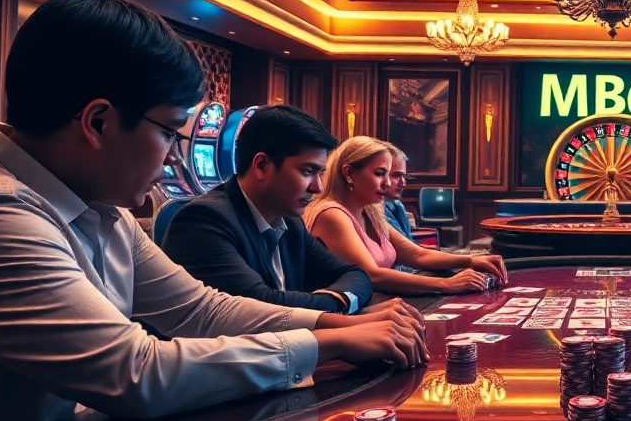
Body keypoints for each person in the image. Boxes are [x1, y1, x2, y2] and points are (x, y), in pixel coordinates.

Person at [0, 0, 428, 421]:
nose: (171, 160)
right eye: (170, 134)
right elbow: (135, 372)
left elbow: (200, 309)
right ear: (98, 122)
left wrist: (344, 325)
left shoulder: (100, 206)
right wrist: (327, 343)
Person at [163, 105, 408, 317]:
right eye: (307, 172)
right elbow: (261, 307)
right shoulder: (204, 221)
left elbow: (355, 274)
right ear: (261, 165)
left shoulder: (290, 222)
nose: (317, 187)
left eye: (320, 173)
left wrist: (336, 302)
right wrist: (339, 305)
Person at [305, 136, 507, 294]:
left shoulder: (370, 211)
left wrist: (471, 260)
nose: (387, 183)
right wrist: (446, 284)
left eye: (388, 174)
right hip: (342, 315)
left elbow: (416, 254)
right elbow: (370, 276)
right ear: (349, 173)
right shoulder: (331, 214)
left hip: (374, 302)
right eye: (379, 173)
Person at [382, 144, 416, 242]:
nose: (403, 183)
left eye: (404, 177)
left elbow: (409, 243)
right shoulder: (377, 209)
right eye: (396, 175)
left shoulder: (397, 205)